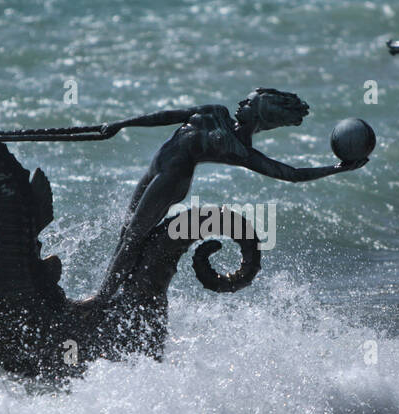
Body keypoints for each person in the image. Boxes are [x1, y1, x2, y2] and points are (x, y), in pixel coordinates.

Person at [93, 88, 367, 301]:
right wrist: (121, 123)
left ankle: (100, 299)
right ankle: (120, 292)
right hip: (155, 168)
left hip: (171, 179)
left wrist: (336, 169)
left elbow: (291, 173)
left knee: (133, 236)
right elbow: (168, 115)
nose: (241, 104)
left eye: (248, 103)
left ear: (261, 116)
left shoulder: (239, 150)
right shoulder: (215, 112)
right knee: (128, 231)